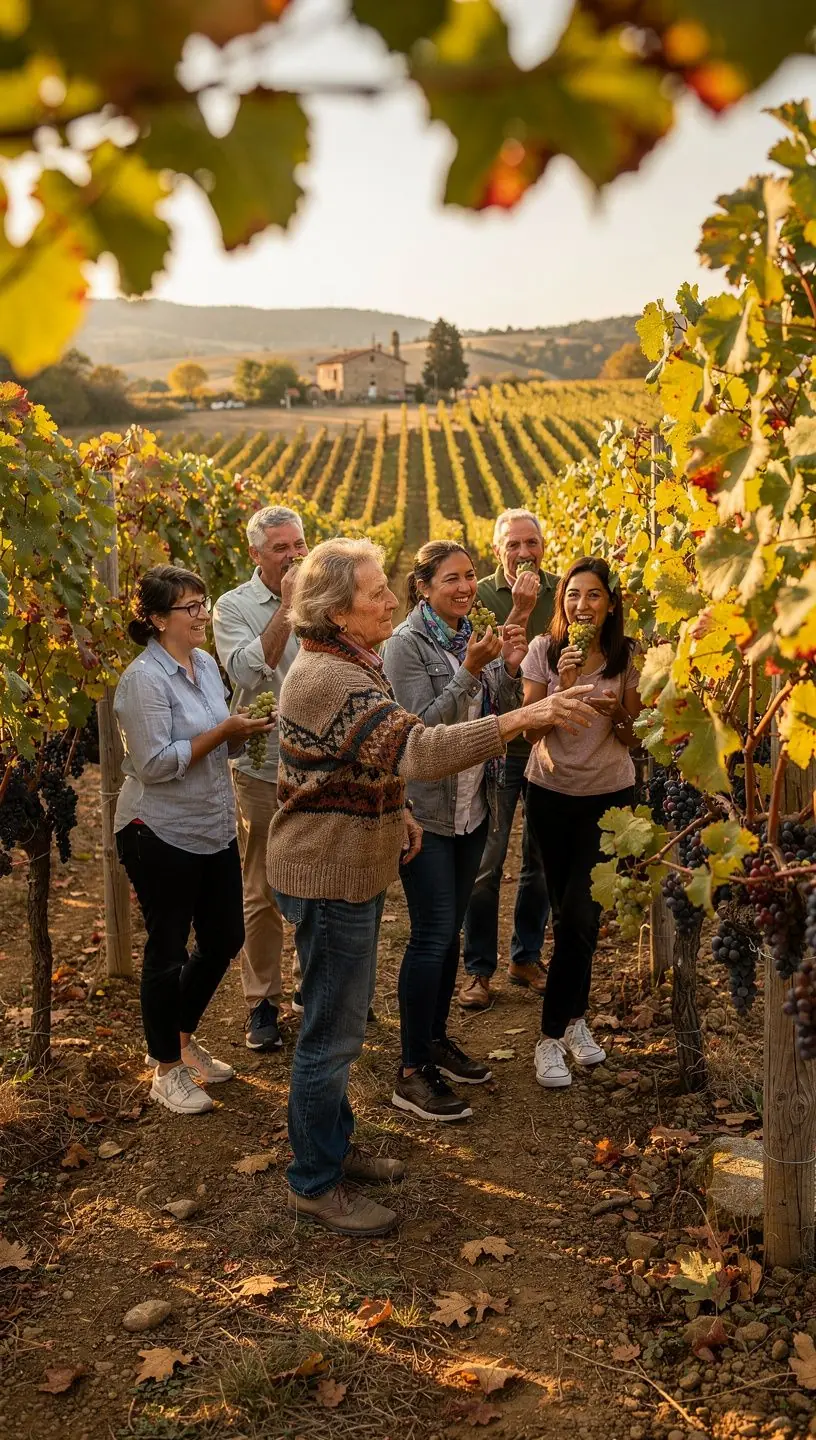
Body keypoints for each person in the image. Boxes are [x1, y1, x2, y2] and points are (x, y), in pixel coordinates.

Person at [266, 537, 596, 1237]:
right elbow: (416, 748)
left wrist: (400, 811)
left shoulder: (349, 661)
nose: (392, 600)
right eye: (376, 592)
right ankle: (314, 1183)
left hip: (344, 863)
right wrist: (518, 718)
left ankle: (332, 1150)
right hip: (328, 872)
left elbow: (366, 760)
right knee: (331, 1036)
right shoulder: (331, 678)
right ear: (337, 611)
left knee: (340, 1027)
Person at [114, 565, 274, 1116]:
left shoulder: (204, 664)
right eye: (191, 607)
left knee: (225, 935)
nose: (203, 614)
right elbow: (155, 765)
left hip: (211, 824)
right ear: (159, 619)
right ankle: (165, 1070)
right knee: (167, 951)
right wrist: (222, 732)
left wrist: (241, 732)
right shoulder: (143, 680)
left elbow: (217, 743)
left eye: (204, 603)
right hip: (159, 830)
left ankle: (180, 1041)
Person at [382, 541, 528, 1122]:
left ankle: (435, 1039)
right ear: (423, 586)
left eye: (470, 576)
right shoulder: (405, 644)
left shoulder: (473, 634)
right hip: (427, 812)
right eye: (451, 579)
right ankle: (411, 1070)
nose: (466, 587)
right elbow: (417, 731)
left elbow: (501, 715)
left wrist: (507, 668)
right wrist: (469, 671)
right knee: (431, 935)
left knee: (449, 936)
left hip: (472, 805)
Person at [521, 556, 641, 1089]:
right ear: (562, 603)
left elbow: (635, 738)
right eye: (572, 594)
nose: (582, 604)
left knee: (579, 916)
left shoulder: (626, 657)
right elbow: (529, 733)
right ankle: (576, 1021)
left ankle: (549, 1037)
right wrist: (561, 688)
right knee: (567, 916)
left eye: (593, 595)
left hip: (608, 799)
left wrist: (618, 713)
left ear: (610, 604)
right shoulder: (543, 652)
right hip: (549, 794)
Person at [213, 505, 308, 1054]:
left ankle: (311, 989)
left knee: (318, 880)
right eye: (280, 548)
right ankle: (263, 1001)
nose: (294, 556)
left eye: (298, 544)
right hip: (262, 765)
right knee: (263, 889)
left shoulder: (325, 591)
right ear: (255, 554)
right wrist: (290, 606)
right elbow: (247, 673)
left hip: (319, 762)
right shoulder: (233, 607)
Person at [459, 509, 558, 1010]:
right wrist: (519, 611)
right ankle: (478, 970)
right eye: (513, 544)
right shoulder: (476, 597)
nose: (523, 553)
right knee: (487, 861)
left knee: (540, 860)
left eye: (531, 543)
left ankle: (526, 957)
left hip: (549, 746)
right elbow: (476, 669)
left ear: (544, 545)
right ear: (496, 549)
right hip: (497, 747)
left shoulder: (565, 592)